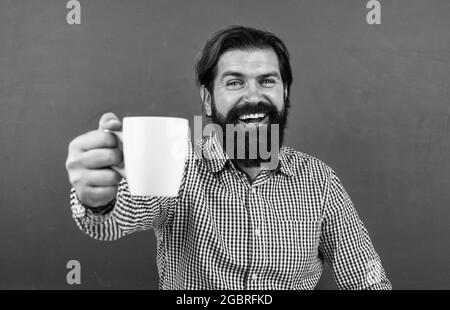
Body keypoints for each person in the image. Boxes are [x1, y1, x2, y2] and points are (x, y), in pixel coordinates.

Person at [65, 25, 392, 290]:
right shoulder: (177, 164)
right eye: (234, 82)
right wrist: (97, 199)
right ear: (208, 100)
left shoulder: (320, 181)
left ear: (285, 94)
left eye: (267, 81)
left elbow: (367, 278)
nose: (253, 96)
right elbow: (111, 220)